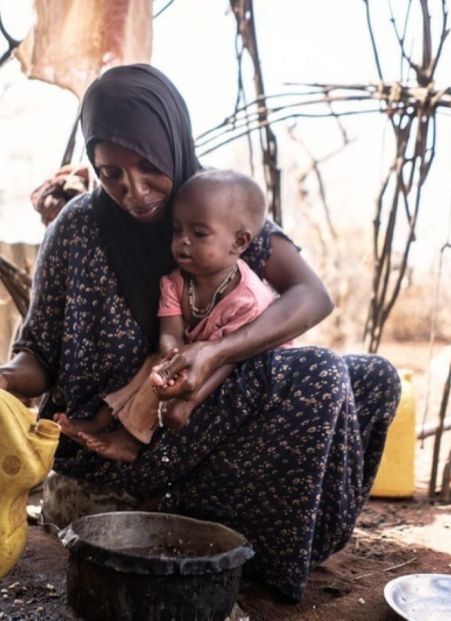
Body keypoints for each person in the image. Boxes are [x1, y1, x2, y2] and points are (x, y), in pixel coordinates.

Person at [0, 63, 400, 602]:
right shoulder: (77, 229)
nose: (134, 190)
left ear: (174, 144)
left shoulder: (213, 204)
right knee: (319, 370)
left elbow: (312, 295)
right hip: (115, 444)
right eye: (111, 174)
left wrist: (216, 352)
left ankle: (276, 543)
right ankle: (242, 567)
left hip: (202, 416)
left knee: (373, 378)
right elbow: (38, 356)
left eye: (149, 167)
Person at [56, 169, 289, 462]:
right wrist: (171, 361)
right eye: (177, 230)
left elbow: (228, 360)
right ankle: (99, 422)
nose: (183, 241)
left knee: (173, 382)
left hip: (241, 369)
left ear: (239, 243)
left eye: (199, 233)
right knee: (152, 364)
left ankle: (130, 441)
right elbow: (170, 333)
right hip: (193, 358)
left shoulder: (247, 300)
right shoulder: (175, 283)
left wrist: (187, 402)